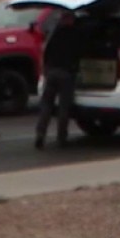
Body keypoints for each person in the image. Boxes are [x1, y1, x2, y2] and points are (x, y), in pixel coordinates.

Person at [35, 9, 82, 149]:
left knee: (46, 105)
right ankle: (61, 137)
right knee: (63, 107)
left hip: (52, 72)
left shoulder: (54, 33)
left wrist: (46, 70)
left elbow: (46, 52)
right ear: (70, 20)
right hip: (66, 74)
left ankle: (40, 134)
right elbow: (78, 53)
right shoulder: (75, 35)